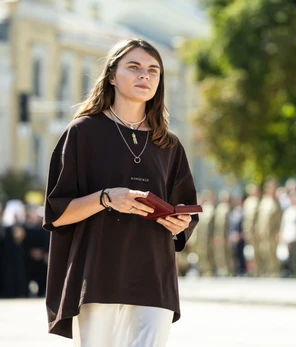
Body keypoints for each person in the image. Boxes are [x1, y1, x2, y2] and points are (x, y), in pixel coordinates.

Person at [42, 38, 199, 347]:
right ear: (111, 76)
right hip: (99, 274)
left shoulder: (169, 144)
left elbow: (186, 207)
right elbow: (57, 213)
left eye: (153, 70)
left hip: (155, 277)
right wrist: (106, 198)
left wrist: (181, 223)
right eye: (134, 67)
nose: (145, 75)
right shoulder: (82, 132)